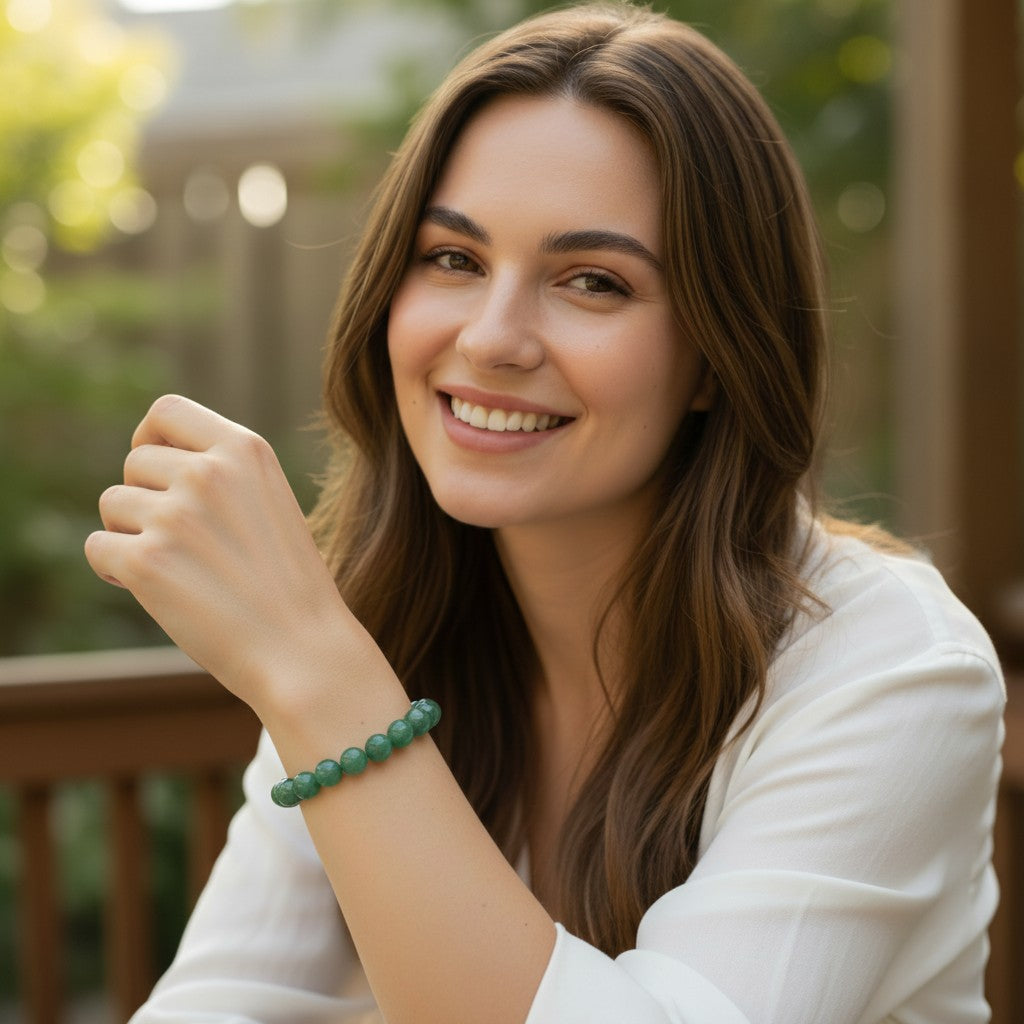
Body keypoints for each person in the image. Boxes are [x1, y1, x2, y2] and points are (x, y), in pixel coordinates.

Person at [84, 3, 1005, 1022]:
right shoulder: (373, 635)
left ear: (715, 356)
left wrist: (316, 671)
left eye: (591, 281)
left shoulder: (891, 666)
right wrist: (322, 669)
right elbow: (224, 999)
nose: (492, 336)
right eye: (453, 259)